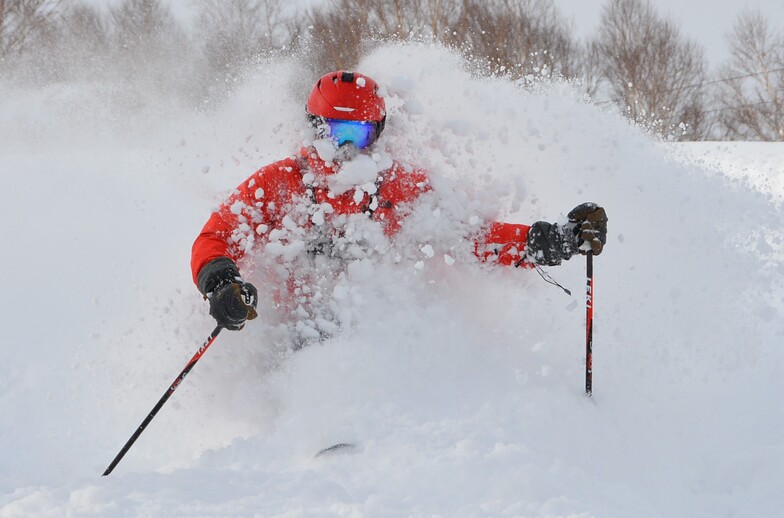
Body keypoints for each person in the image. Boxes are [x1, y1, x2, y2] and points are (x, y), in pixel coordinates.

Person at [191, 70, 607, 335]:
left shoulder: (399, 189)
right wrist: (221, 281)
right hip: (290, 331)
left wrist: (551, 241)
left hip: (371, 331)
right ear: (315, 129)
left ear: (380, 133)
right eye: (340, 135)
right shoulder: (282, 183)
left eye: (363, 135)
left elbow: (472, 238)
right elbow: (217, 235)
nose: (350, 150)